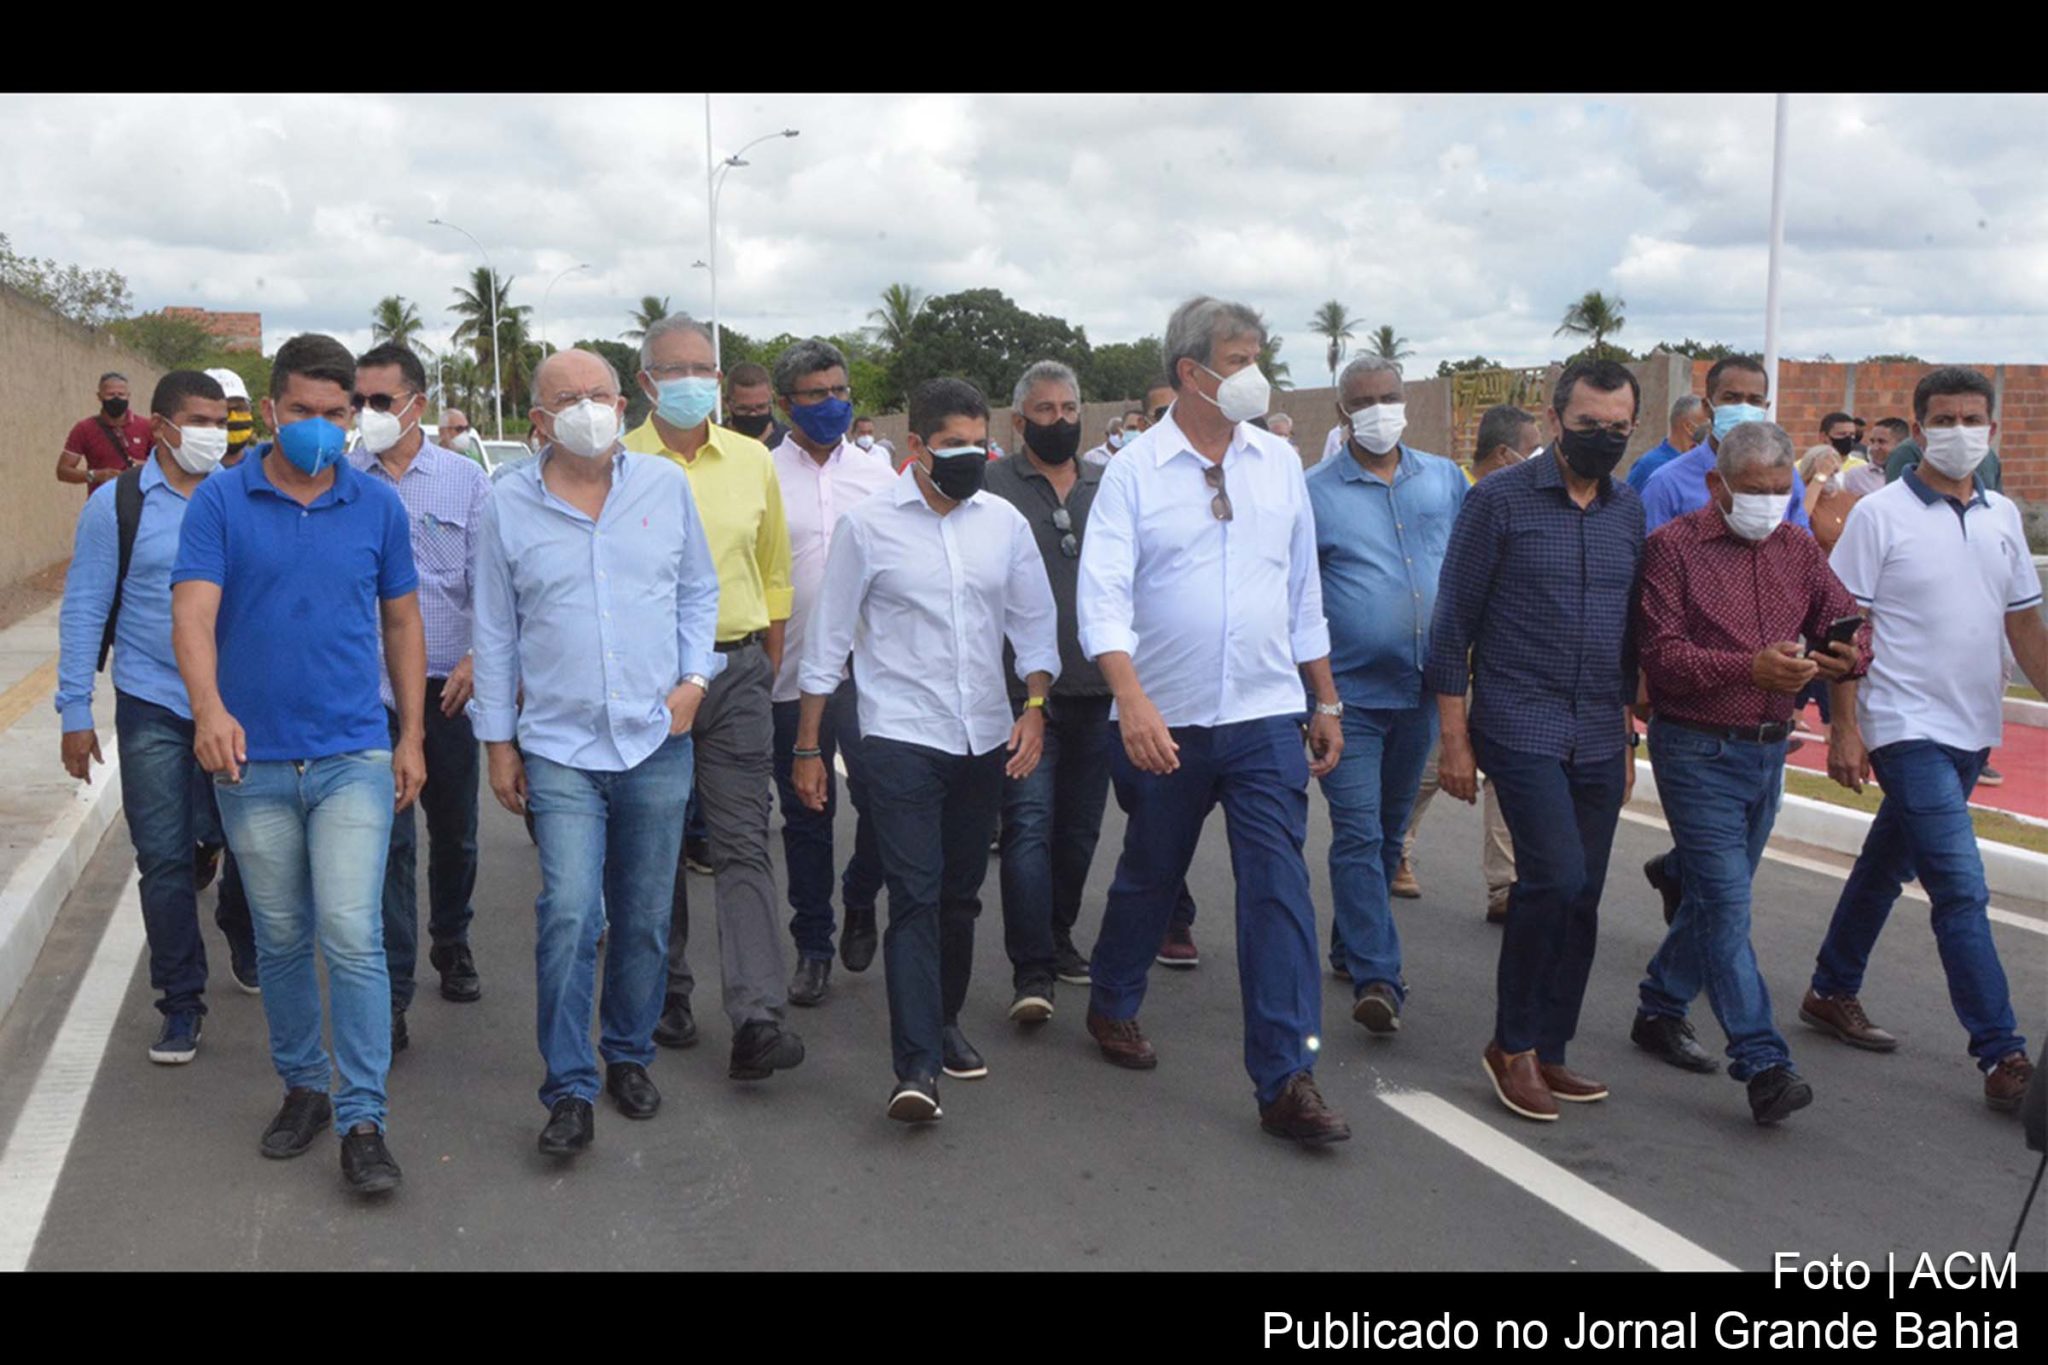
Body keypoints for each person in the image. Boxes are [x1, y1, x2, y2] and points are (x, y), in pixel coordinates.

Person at [1077, 295, 1350, 1145]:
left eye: (1257, 354)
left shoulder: (1276, 465)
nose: (1255, 373)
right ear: (1190, 372)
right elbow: (1104, 599)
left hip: (1267, 713)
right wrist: (1131, 698)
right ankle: (1113, 1000)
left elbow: (1303, 590)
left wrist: (1326, 696)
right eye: (1238, 358)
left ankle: (1286, 1076)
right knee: (1152, 871)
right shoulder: (1132, 472)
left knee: (1278, 891)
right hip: (1169, 717)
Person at [171, 333, 425, 1196]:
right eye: (305, 411)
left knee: (350, 932)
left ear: (354, 413)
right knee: (281, 936)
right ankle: (303, 1086)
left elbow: (402, 624)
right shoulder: (220, 502)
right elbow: (195, 616)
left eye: (337, 412)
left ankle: (363, 1116)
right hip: (253, 763)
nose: (321, 426)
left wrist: (412, 735)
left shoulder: (377, 504)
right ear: (272, 410)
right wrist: (209, 709)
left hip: (354, 750)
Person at [471, 347, 723, 1155]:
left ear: (625, 403)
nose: (589, 407)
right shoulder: (506, 506)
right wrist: (496, 744)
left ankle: (628, 1053)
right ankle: (569, 1085)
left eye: (601, 394)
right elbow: (494, 631)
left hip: (657, 736)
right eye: (569, 398)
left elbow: (697, 590)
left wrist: (694, 678)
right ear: (538, 420)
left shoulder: (665, 487)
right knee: (572, 912)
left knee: (646, 918)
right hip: (558, 744)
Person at [794, 377, 1059, 1120]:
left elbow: (1033, 624)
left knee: (959, 894)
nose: (969, 457)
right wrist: (808, 745)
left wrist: (1034, 706)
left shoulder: (1002, 524)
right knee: (914, 892)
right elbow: (828, 642)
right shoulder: (868, 527)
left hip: (982, 732)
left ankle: (943, 1023)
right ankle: (915, 1068)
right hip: (898, 733)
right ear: (915, 448)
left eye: (979, 443)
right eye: (952, 445)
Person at [1804, 366, 2043, 1113]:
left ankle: (1831, 987)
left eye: (1974, 418)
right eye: (1945, 418)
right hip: (1904, 723)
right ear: (1918, 427)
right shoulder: (1879, 517)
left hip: (1973, 724)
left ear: (1993, 430)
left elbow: (2024, 624)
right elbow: (1843, 630)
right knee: (1960, 886)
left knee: (1886, 862)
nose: (1960, 431)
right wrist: (1846, 727)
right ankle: (2002, 1053)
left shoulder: (2003, 514)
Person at [1428, 357, 1645, 1124]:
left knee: (1583, 891)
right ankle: (1510, 1044)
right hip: (1518, 719)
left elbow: (1628, 637)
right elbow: (1451, 624)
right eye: (1588, 425)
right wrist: (1454, 738)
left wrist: (1625, 732)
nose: (1603, 439)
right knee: (1550, 875)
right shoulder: (1497, 503)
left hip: (1597, 727)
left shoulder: (1628, 511)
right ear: (1555, 421)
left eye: (1618, 428)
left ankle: (1552, 1045)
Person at [1631, 419, 1866, 1123]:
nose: (1768, 501)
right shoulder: (1672, 550)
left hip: (1769, 748)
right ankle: (1763, 1060)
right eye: (1753, 490)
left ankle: (1660, 1004)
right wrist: (1749, 665)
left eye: (1779, 489)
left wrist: (1846, 656)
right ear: (1716, 485)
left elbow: (1844, 619)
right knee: (1729, 906)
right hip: (1696, 747)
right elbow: (1663, 656)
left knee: (1711, 897)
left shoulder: (1796, 547)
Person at [55, 369, 259, 1064]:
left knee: (249, 847)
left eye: (223, 419)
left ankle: (239, 919)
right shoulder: (116, 507)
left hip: (236, 703)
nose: (214, 432)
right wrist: (75, 710)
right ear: (164, 425)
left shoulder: (243, 498)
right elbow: (84, 607)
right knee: (164, 857)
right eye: (200, 419)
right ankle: (180, 1000)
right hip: (152, 702)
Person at [621, 316, 802, 1075]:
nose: (696, 381)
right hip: (648, 679)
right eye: (678, 368)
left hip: (736, 673)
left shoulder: (753, 459)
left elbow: (773, 574)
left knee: (742, 840)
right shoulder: (615, 459)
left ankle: (757, 1013)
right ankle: (664, 992)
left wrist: (761, 666)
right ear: (646, 383)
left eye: (707, 367)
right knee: (655, 843)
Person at [1306, 356, 1466, 1035]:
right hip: (1348, 698)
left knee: (1387, 833)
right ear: (1343, 413)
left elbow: (1464, 571)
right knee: (1359, 829)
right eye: (1363, 400)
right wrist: (1318, 697)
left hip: (1423, 693)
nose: (1379, 409)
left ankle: (1350, 943)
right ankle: (1378, 973)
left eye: (1390, 396)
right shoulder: (1312, 492)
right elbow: (1298, 597)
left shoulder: (1447, 480)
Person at [348, 343, 491, 1052]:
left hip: (450, 689)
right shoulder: (344, 480)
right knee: (391, 844)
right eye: (360, 401)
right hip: (371, 690)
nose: (369, 414)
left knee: (456, 829)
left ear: (417, 404)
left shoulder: (466, 482)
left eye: (382, 401)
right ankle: (394, 991)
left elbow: (493, 586)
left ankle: (452, 938)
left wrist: (475, 656)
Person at [766, 337, 895, 1000]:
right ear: (788, 404)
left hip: (869, 674)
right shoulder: (762, 474)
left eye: (841, 391)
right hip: (788, 677)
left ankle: (861, 893)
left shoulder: (878, 475)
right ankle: (812, 941)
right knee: (806, 811)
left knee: (881, 796)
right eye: (817, 394)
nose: (833, 404)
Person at [986, 360, 1111, 1012]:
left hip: (1098, 688)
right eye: (1045, 410)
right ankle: (1030, 966)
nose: (1059, 420)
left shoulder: (1108, 483)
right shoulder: (989, 485)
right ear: (1017, 420)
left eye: (1069, 408)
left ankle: (1059, 934)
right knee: (1029, 826)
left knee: (1080, 830)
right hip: (1022, 693)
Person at [1398, 403, 1531, 917]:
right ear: (1504, 454)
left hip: (1503, 662)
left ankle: (1506, 885)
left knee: (1505, 772)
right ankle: (1395, 850)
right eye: (1531, 448)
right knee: (1432, 768)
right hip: (1456, 660)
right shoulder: (1450, 495)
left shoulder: (1526, 503)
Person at [1640, 357, 1811, 534]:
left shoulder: (1786, 478)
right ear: (1707, 407)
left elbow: (1801, 544)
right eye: (1731, 398)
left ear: (1765, 408)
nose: (1744, 409)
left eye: (1754, 401)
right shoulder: (1667, 484)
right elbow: (1654, 554)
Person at [58, 371, 154, 491]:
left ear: (128, 396)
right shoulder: (84, 428)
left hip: (139, 502)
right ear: (99, 396)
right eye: (110, 394)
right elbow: (63, 471)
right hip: (101, 504)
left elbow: (167, 465)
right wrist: (96, 475)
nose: (116, 398)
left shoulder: (147, 427)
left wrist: (144, 466)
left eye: (121, 394)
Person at [1623, 394, 1707, 492]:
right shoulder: (1648, 466)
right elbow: (1626, 503)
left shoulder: (1703, 465)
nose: (1711, 430)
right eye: (1707, 424)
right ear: (1689, 427)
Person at [1798, 444, 1861, 556]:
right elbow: (1799, 518)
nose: (1831, 476)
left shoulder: (1850, 499)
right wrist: (1821, 477)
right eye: (1828, 472)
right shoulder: (1802, 498)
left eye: (1835, 471)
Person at [722, 361, 788, 449]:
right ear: (726, 403)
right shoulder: (710, 442)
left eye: (760, 407)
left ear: (772, 399)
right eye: (744, 408)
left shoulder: (789, 443)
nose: (753, 414)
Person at [205, 368, 258, 463]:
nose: (233, 417)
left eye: (239, 408)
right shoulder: (180, 473)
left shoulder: (267, 468)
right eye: (225, 409)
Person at [1847, 418, 1905, 497]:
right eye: (1872, 441)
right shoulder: (1856, 476)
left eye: (1881, 442)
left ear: (1901, 444)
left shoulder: (1914, 476)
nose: (1874, 447)